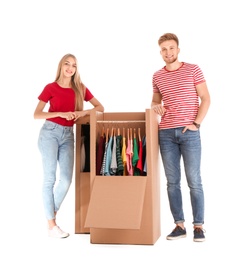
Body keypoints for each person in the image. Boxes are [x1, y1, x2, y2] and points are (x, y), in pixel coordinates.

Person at [34, 53, 104, 238]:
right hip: (49, 133)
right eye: (67, 64)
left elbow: (100, 108)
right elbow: (37, 114)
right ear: (61, 66)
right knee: (49, 178)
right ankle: (52, 225)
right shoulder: (50, 87)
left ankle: (51, 218)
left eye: (73, 65)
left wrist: (80, 112)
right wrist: (61, 114)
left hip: (68, 136)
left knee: (65, 180)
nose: (70, 68)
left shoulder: (80, 88)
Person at [151, 33, 210, 242]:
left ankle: (199, 226)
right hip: (166, 133)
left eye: (171, 48)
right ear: (160, 52)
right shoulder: (157, 76)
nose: (168, 52)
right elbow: (155, 102)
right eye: (164, 49)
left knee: (194, 181)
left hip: (189, 133)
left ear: (178, 49)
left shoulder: (193, 69)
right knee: (172, 182)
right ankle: (179, 225)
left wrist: (196, 124)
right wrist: (156, 107)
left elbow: (205, 98)